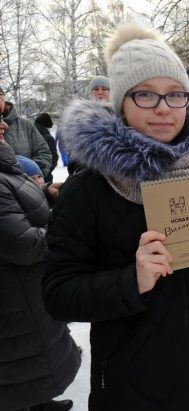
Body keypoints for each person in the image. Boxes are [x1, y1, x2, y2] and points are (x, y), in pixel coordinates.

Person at [42, 24, 189, 410]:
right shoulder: (87, 190)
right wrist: (131, 280)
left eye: (175, 95)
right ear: (121, 102)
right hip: (133, 384)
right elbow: (59, 295)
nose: (162, 107)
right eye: (145, 95)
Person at [0, 118, 80, 411]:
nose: (5, 126)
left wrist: (45, 193)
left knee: (32, 360)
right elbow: (23, 244)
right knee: (17, 368)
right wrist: (71, 233)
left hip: (24, 291)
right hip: (11, 296)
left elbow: (10, 206)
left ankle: (40, 402)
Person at [0, 86, 52, 178]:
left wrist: (33, 175)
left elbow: (44, 153)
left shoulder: (25, 125)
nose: (4, 126)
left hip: (28, 188)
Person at [34, 113, 59, 183]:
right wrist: (48, 170)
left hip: (30, 175)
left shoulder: (29, 134)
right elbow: (54, 157)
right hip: (45, 174)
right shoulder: (48, 138)